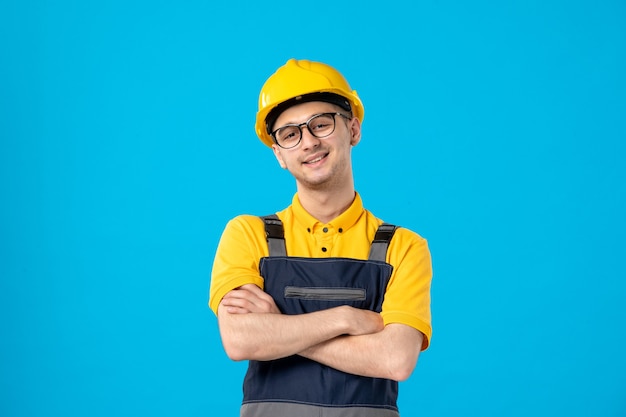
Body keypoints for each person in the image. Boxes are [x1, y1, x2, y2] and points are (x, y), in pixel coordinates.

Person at [209, 58, 433, 417]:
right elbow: (239, 340)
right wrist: (346, 318)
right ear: (279, 154)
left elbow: (395, 360)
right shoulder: (247, 234)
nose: (308, 142)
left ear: (354, 130)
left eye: (321, 124)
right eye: (290, 134)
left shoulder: (404, 247)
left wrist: (277, 326)